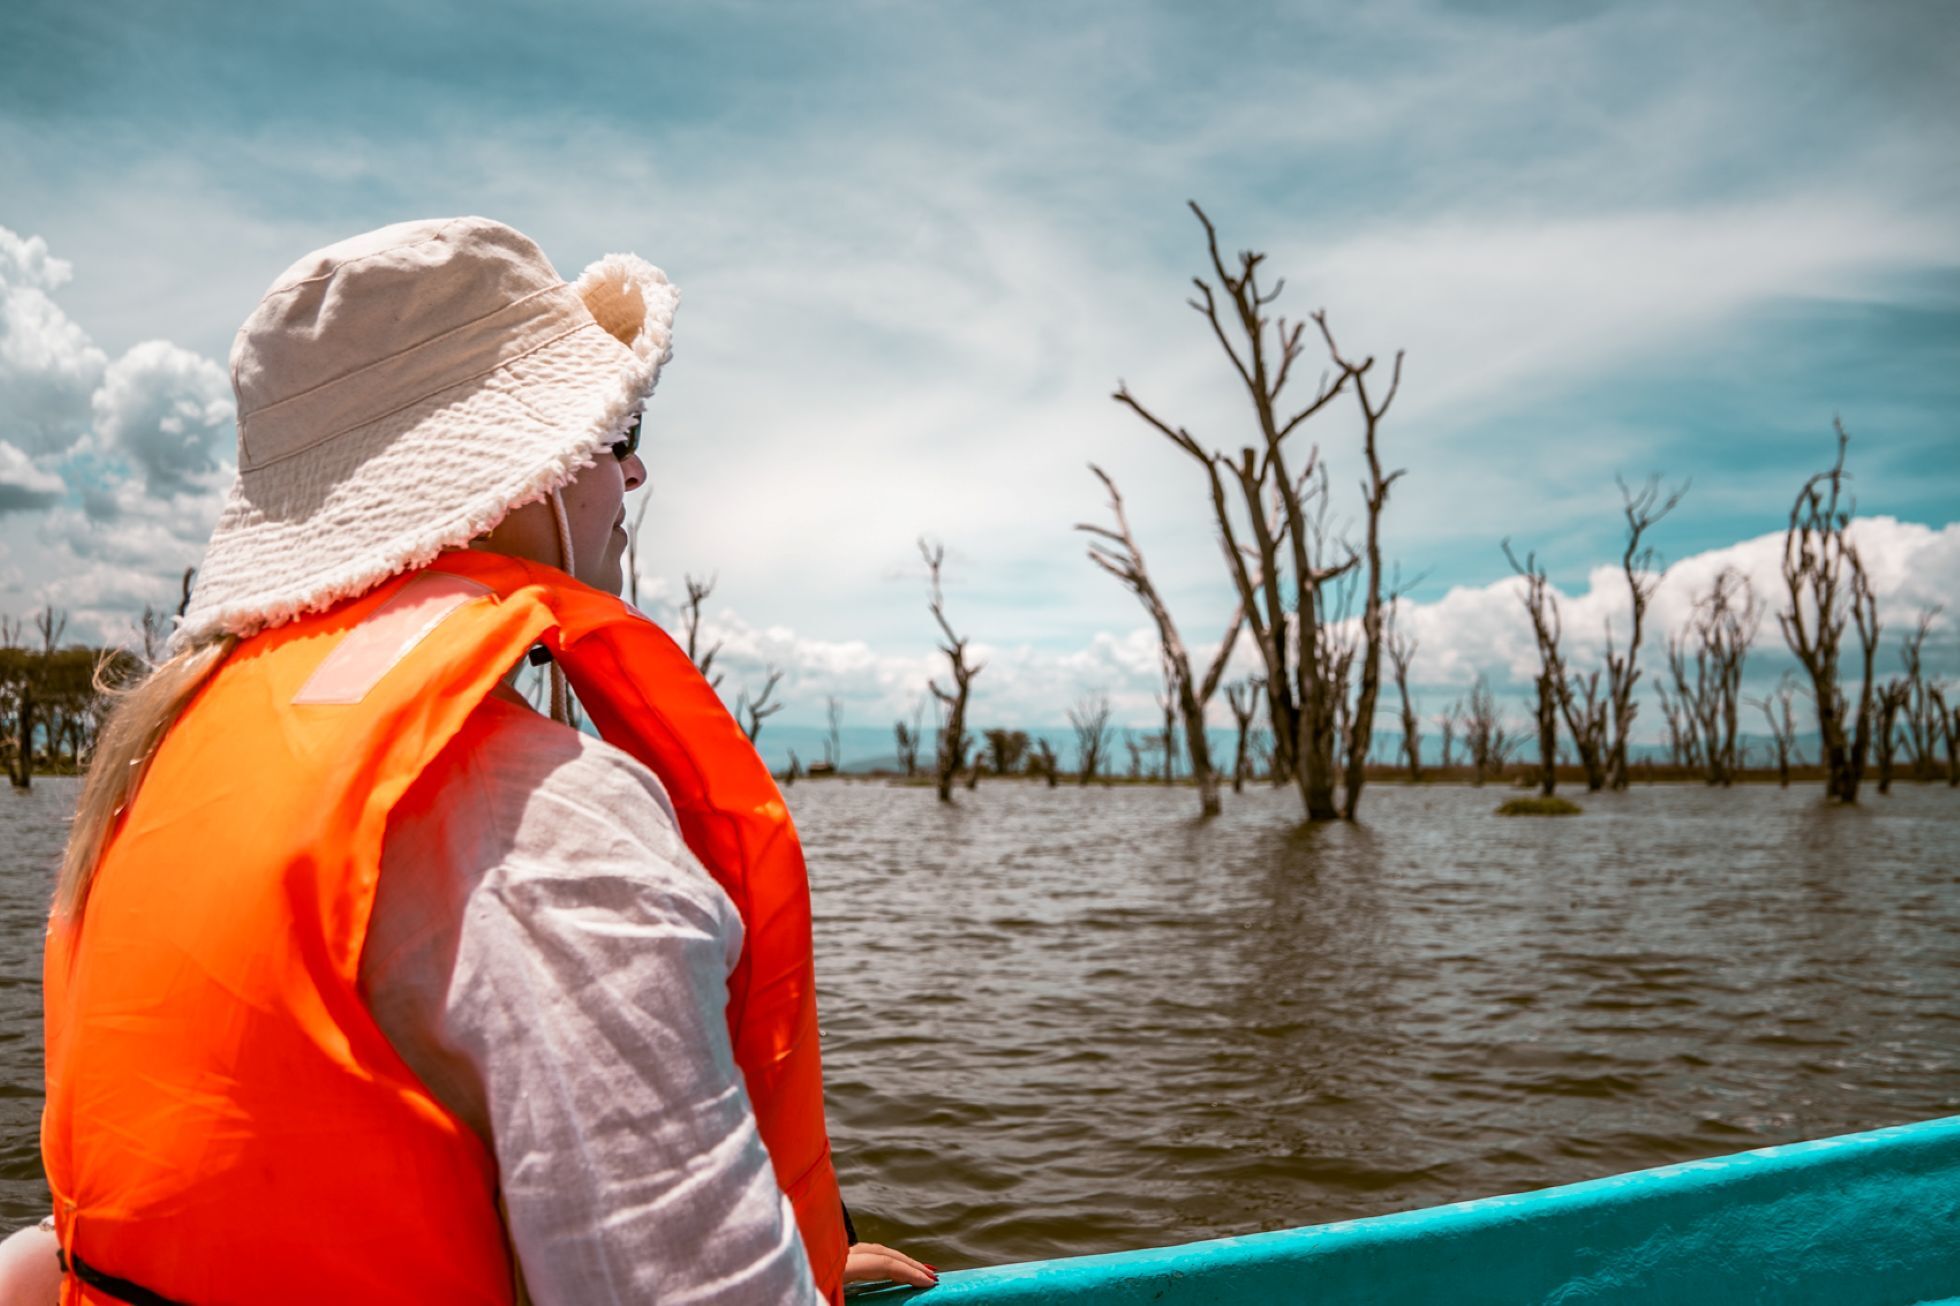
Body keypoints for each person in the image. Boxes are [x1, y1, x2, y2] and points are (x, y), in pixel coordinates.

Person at [29, 217, 936, 1304]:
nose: (635, 469)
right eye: (618, 431)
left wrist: (770, 1239)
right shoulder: (545, 821)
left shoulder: (158, 765)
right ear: (524, 480)